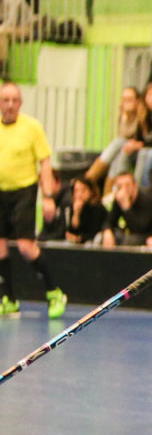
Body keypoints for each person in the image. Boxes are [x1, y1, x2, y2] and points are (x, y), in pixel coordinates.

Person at [0, 81, 66, 318]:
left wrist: (48, 197)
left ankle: (54, 292)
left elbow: (45, 162)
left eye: (13, 100)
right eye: (4, 100)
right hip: (0, 192)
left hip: (24, 191)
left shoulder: (32, 128)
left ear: (20, 103)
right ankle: (8, 299)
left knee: (27, 247)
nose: (9, 105)